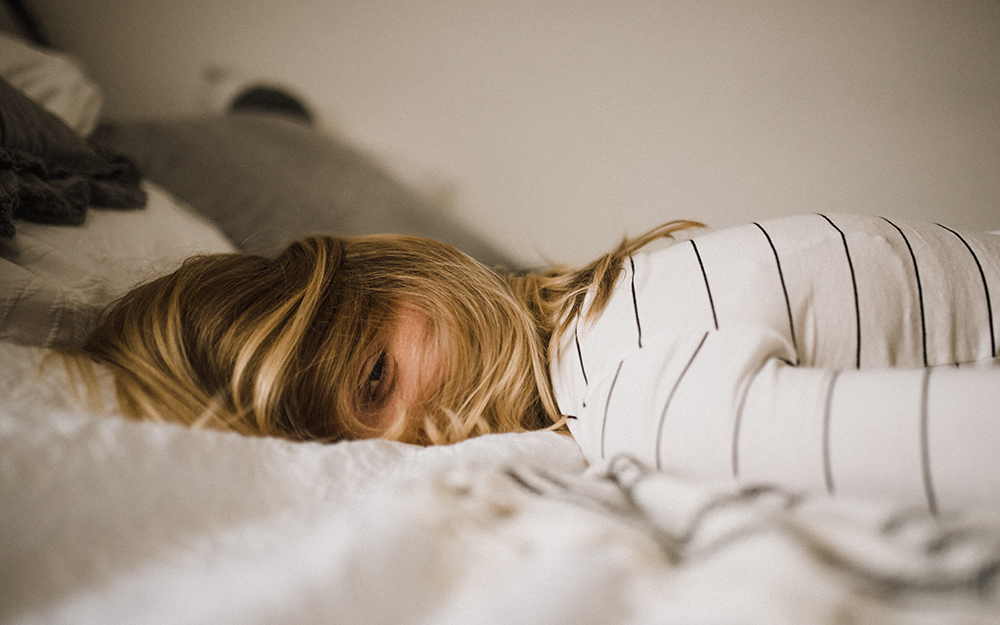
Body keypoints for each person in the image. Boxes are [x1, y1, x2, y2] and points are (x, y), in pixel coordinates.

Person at [78, 214, 1000, 508]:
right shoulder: (613, 319)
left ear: (407, 271)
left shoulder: (637, 390)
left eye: (374, 379)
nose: (411, 440)